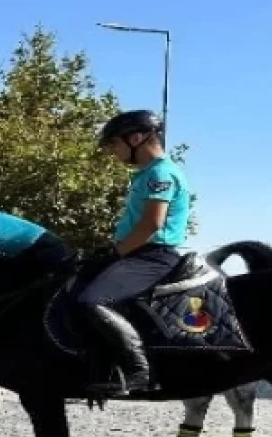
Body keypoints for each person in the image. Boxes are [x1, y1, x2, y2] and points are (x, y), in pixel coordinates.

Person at [80, 109, 192, 394]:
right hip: (137, 252)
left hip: (154, 255)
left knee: (94, 301)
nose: (113, 152)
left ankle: (138, 370)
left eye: (114, 144)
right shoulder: (145, 174)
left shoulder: (161, 173)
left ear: (137, 138)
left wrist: (117, 253)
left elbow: (152, 224)